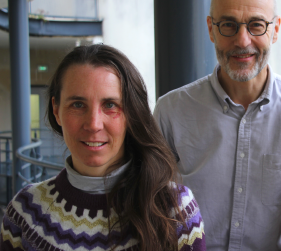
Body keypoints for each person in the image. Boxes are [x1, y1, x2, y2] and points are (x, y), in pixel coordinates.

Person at [153, 0, 281, 251]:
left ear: (275, 29)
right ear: (211, 29)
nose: (242, 40)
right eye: (228, 25)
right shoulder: (170, 112)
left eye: (256, 25)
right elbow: (155, 212)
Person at [1, 45, 205, 251]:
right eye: (78, 105)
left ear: (131, 113)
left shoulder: (176, 211)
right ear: (56, 110)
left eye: (110, 105)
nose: (93, 124)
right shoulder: (24, 212)